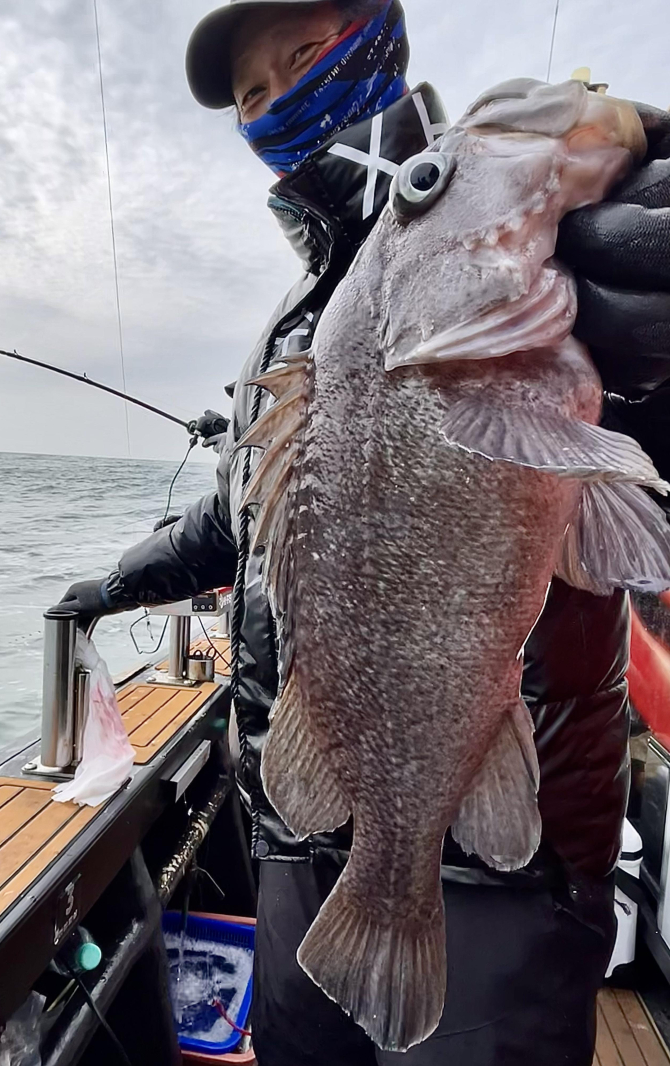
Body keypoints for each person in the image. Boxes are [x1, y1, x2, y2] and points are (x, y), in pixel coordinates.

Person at [60, 2, 670, 1062]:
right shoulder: (301, 316)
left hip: (504, 861)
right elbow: (237, 513)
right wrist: (114, 581)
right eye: (252, 92)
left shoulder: (538, 244)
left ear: (379, 39)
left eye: (304, 55)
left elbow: (634, 476)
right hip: (299, 838)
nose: (277, 100)